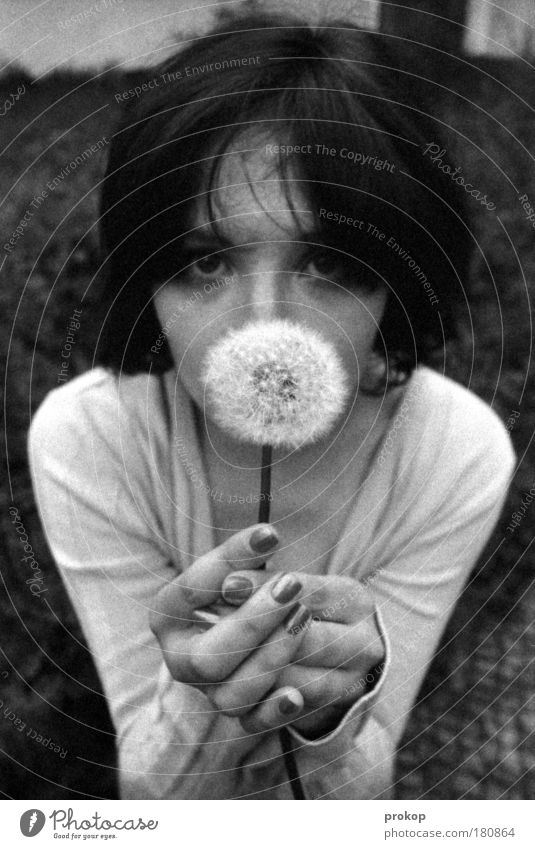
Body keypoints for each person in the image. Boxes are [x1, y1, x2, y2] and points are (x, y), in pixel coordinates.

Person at [28, 10, 515, 800]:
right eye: (205, 261)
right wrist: (200, 698)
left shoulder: (455, 451)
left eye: (326, 260)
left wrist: (332, 719)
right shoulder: (90, 437)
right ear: (144, 275)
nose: (264, 327)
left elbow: (359, 793)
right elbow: (155, 800)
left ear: (398, 274)